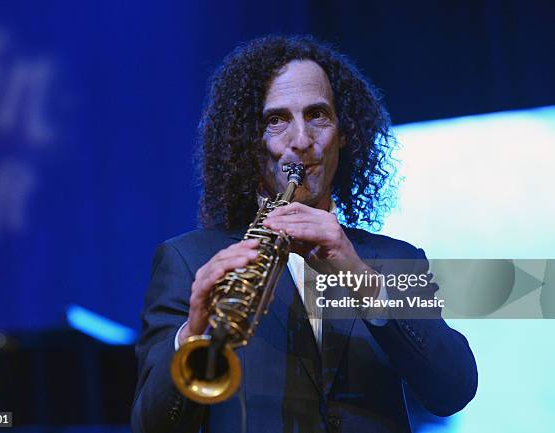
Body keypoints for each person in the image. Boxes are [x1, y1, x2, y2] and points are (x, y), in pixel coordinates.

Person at [131, 35, 477, 433]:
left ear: (344, 134)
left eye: (318, 115)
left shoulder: (394, 258)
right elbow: (150, 426)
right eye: (276, 120)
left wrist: (357, 275)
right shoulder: (188, 260)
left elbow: (453, 390)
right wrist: (194, 334)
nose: (301, 141)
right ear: (248, 139)